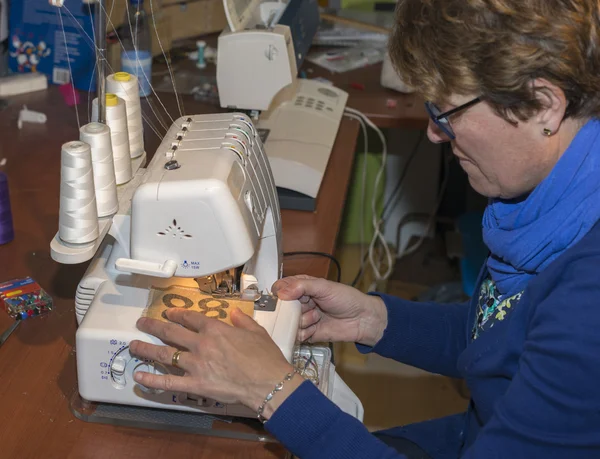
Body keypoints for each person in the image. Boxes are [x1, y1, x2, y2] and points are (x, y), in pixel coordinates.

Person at [128, 0, 600, 457]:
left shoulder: (587, 302)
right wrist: (374, 320)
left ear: (543, 105)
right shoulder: (547, 206)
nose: (435, 132)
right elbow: (500, 339)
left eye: (448, 112)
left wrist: (272, 390)